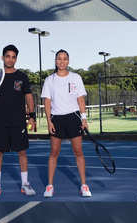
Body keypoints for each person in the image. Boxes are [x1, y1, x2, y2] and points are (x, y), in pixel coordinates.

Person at [0, 44, 36, 198]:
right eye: (7, 56)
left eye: (13, 57)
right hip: (1, 122)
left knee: (22, 152)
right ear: (2, 57)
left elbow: (29, 97)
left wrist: (32, 115)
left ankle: (25, 184)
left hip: (19, 122)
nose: (10, 59)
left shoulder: (22, 77)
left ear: (16, 59)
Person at [40, 49, 91, 197]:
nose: (62, 61)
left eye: (65, 59)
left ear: (68, 61)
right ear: (55, 61)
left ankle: (84, 185)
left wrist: (84, 118)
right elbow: (47, 102)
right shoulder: (50, 80)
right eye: (59, 59)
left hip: (74, 117)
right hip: (57, 118)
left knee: (78, 152)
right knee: (54, 153)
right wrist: (49, 121)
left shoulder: (76, 77)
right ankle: (49, 186)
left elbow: (80, 99)